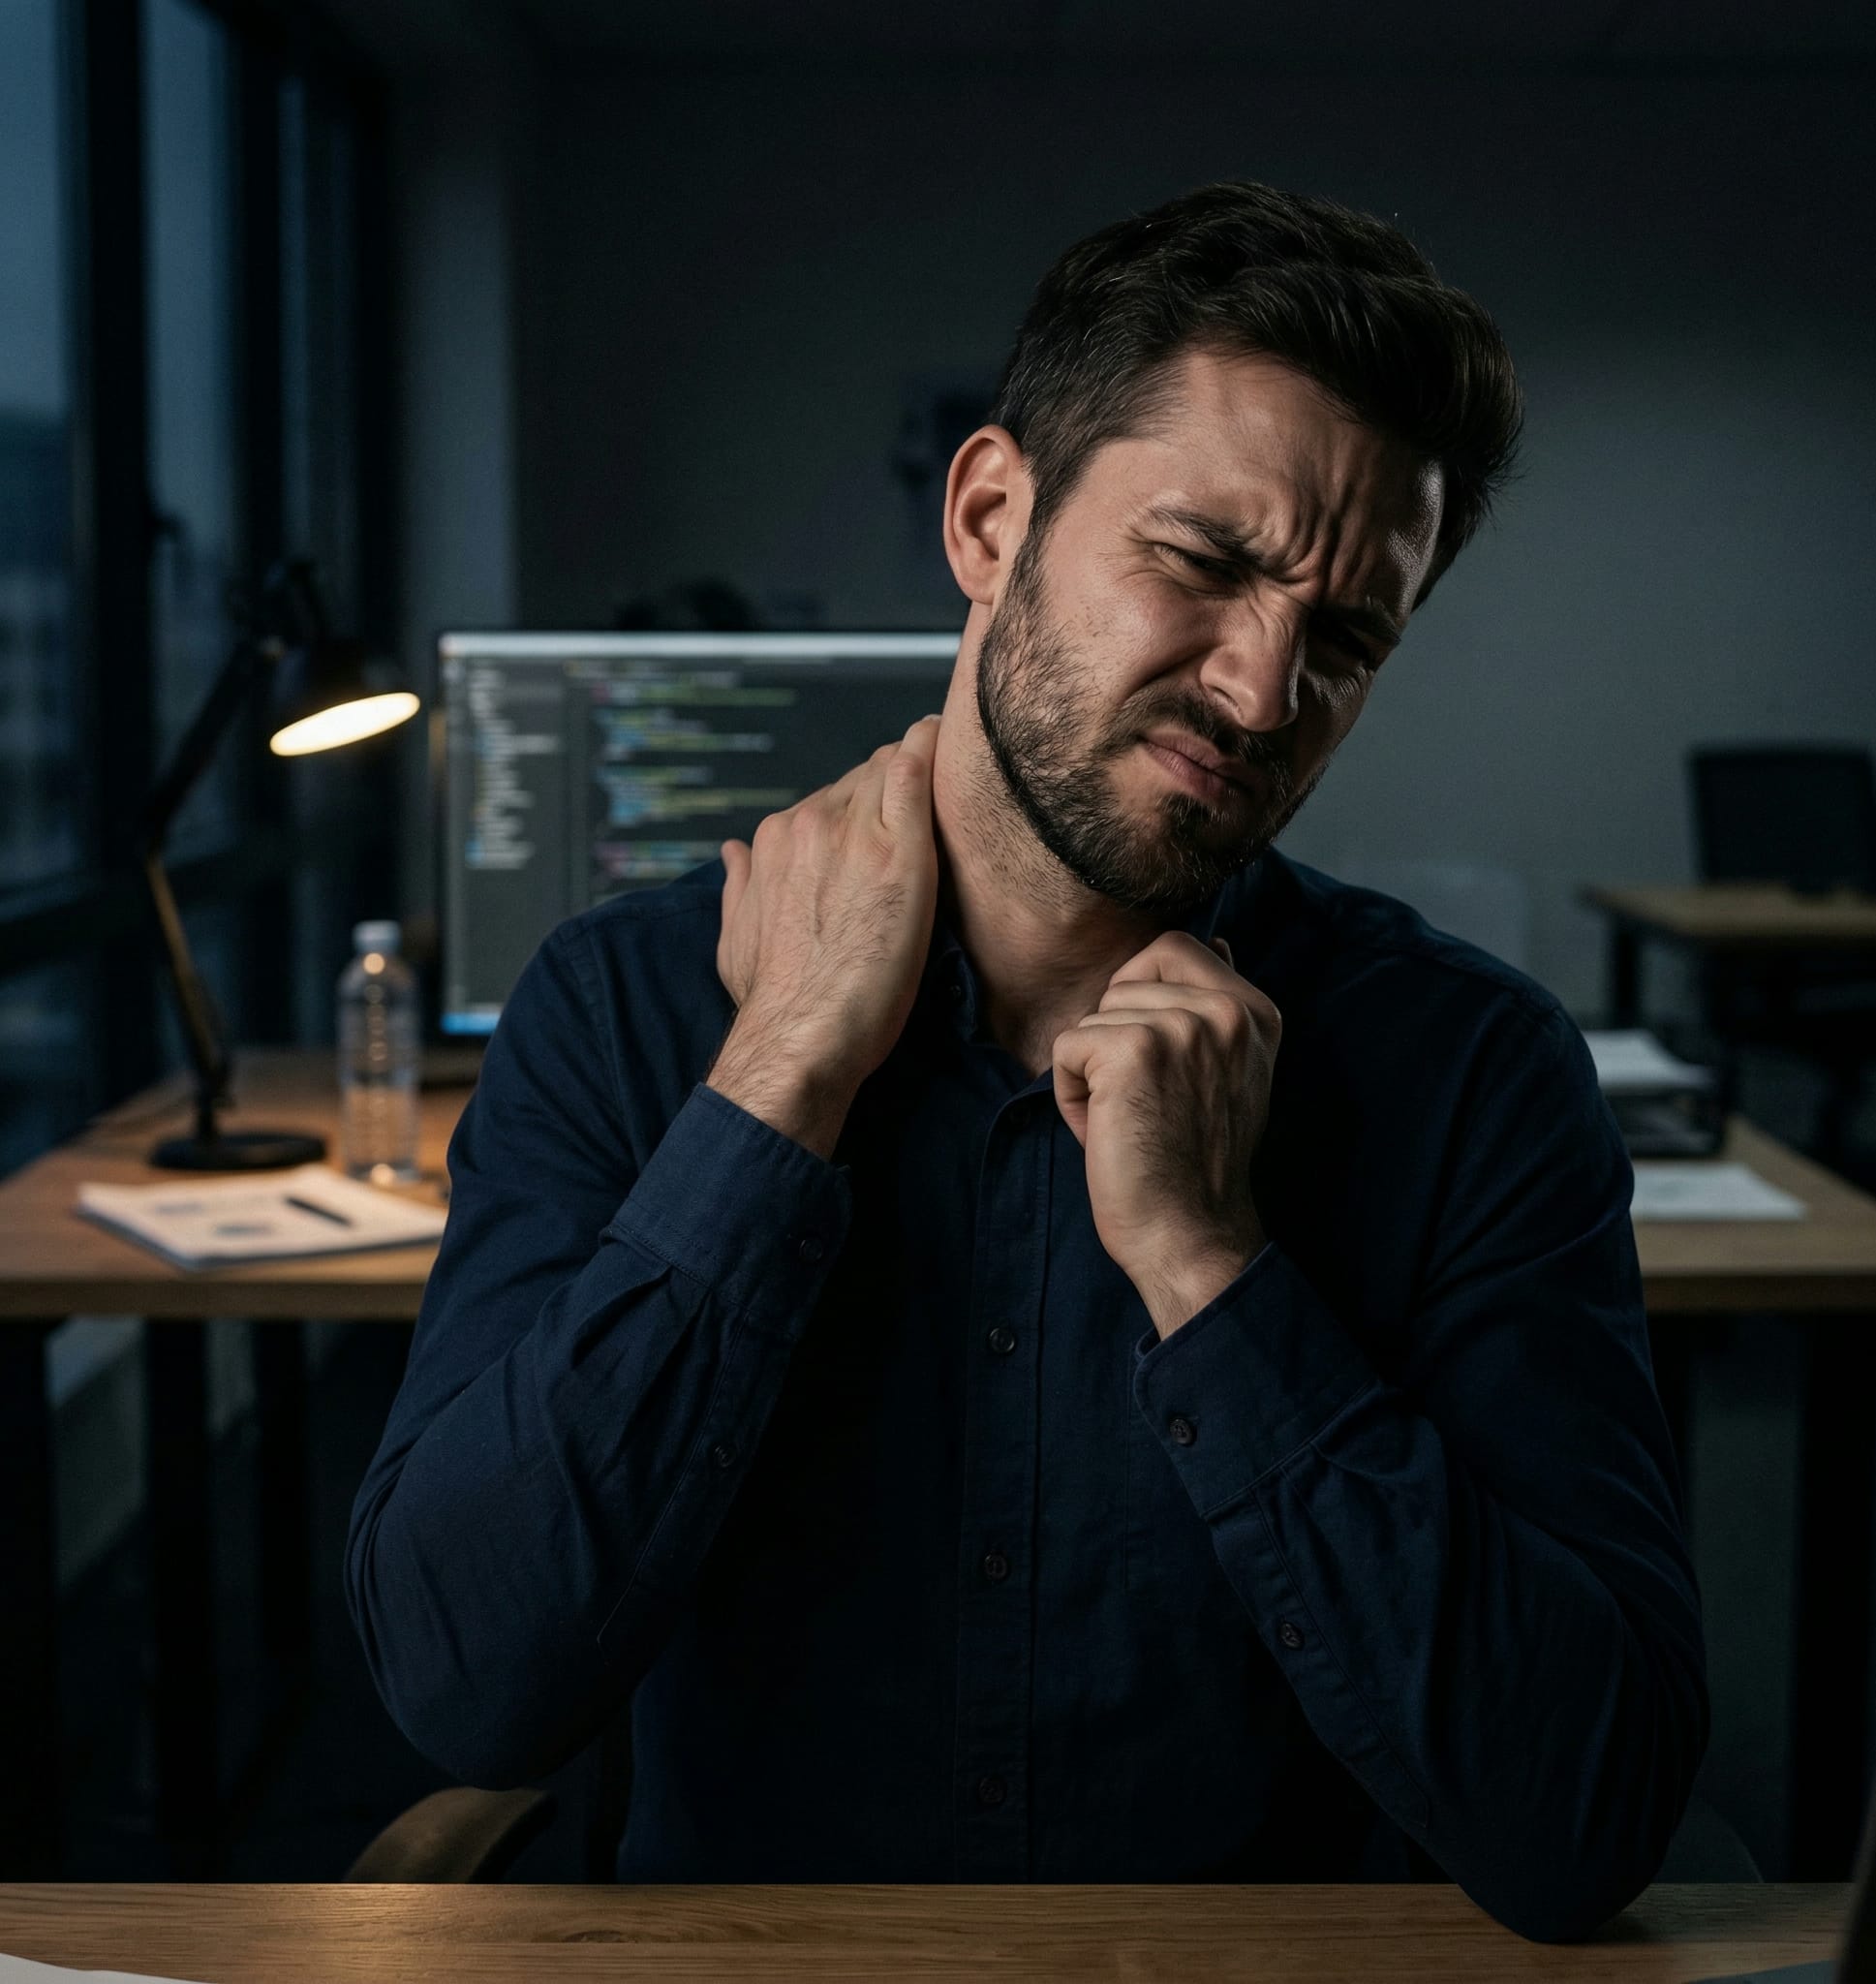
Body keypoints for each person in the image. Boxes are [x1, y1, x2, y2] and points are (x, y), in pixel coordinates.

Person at [347, 180, 1706, 1940]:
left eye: (1349, 635)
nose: (1265, 689)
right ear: (992, 518)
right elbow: (464, 1685)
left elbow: (1583, 1819)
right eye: (1206, 563)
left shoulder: (1475, 1076)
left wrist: (1215, 1272)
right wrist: (771, 1095)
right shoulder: (626, 1006)